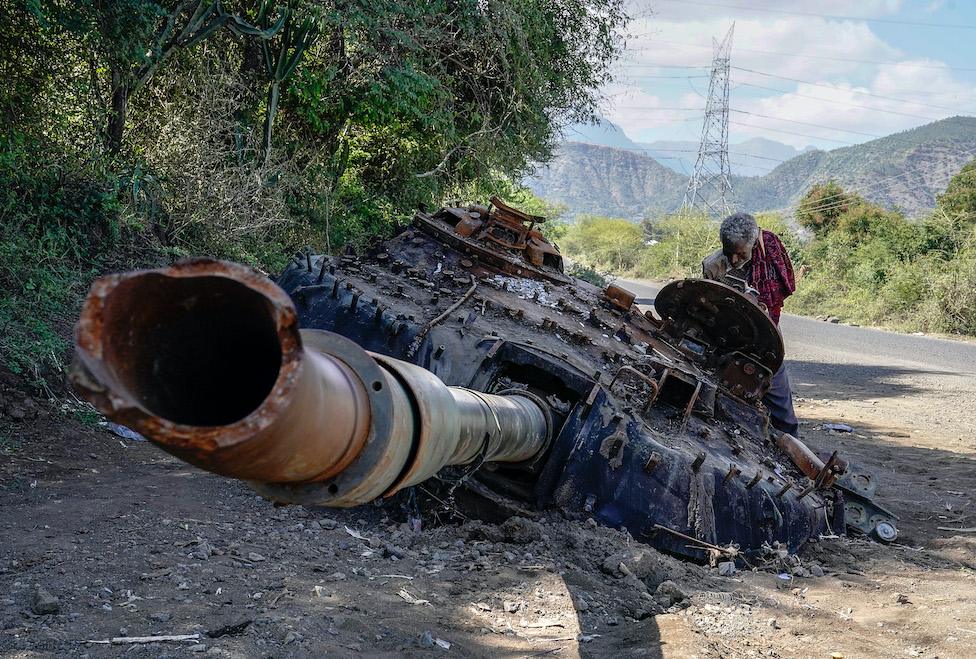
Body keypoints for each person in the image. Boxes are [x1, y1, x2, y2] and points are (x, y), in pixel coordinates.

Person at [702, 212, 799, 436]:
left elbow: (778, 297)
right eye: (729, 253)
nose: (734, 260)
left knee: (782, 406)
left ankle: (791, 452)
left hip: (766, 337)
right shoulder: (713, 267)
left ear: (753, 244)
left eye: (740, 253)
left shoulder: (770, 254)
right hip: (725, 338)